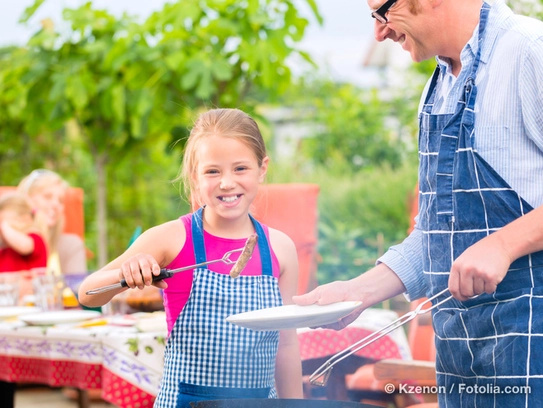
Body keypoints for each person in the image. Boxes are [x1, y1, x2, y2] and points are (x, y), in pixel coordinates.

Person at [294, 0, 543, 406]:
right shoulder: (438, 86)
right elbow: (436, 233)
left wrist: (503, 244)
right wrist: (358, 292)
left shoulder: (531, 51)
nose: (378, 32)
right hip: (461, 361)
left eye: (381, 11)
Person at [78, 108, 303, 406]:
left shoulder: (280, 248)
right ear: (194, 177)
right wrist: (126, 275)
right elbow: (87, 293)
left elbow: (286, 344)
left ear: (262, 169)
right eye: (212, 171)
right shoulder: (172, 238)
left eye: (240, 169)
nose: (226, 182)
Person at [18, 169, 87, 275]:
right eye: (47, 196)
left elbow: (77, 289)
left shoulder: (71, 245)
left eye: (60, 200)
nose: (56, 205)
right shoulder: (5, 242)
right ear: (26, 200)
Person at [0, 192, 48, 273]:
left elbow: (24, 246)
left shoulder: (36, 239)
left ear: (25, 219)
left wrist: (4, 226)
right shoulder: (5, 249)